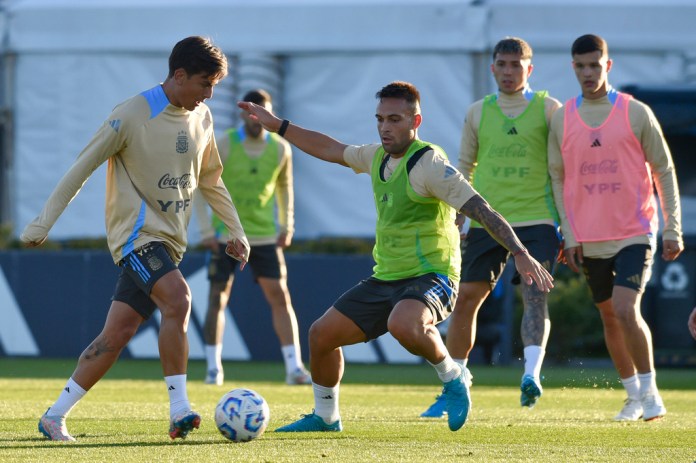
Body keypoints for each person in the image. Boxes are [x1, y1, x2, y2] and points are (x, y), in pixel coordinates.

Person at [239, 81, 554, 433]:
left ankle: (454, 378)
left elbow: (483, 209)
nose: (385, 127)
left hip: (433, 275)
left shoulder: (430, 163)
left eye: (394, 119)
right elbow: (329, 148)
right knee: (321, 335)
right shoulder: (376, 157)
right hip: (387, 276)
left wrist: (521, 252)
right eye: (380, 119)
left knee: (403, 324)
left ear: (415, 121)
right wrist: (278, 125)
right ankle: (326, 416)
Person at [21, 36, 250, 441]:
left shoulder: (203, 118)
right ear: (178, 75)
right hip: (136, 237)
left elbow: (210, 180)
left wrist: (236, 230)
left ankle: (54, 416)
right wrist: (43, 223)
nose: (209, 94)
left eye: (213, 85)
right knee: (179, 299)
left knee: (116, 336)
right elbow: (82, 166)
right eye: (204, 83)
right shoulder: (132, 113)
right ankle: (179, 409)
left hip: (170, 242)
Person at [421, 37, 562, 418]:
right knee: (466, 298)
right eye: (502, 63)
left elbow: (560, 171)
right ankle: (457, 383)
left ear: (529, 69)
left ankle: (530, 375)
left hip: (539, 220)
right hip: (490, 220)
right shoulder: (477, 112)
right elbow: (465, 166)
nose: (508, 71)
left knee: (534, 296)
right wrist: (460, 213)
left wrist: (567, 224)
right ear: (493, 68)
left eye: (516, 64)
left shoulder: (550, 110)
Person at [548, 34, 683, 421]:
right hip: (588, 237)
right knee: (609, 316)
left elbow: (664, 169)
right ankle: (633, 397)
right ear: (573, 67)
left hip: (635, 231)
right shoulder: (563, 117)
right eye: (581, 66)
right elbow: (558, 178)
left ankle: (652, 393)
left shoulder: (634, 112)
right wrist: (569, 234)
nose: (588, 73)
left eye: (595, 65)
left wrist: (673, 227)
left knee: (626, 308)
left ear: (608, 65)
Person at [195, 89, 311, 386]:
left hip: (263, 236)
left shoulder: (281, 148)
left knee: (280, 297)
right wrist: (206, 230)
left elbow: (285, 188)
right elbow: (201, 184)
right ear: (244, 114)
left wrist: (288, 226)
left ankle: (294, 367)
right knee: (217, 298)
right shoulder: (225, 143)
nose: (257, 118)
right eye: (252, 112)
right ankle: (213, 368)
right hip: (228, 236)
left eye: (263, 112)